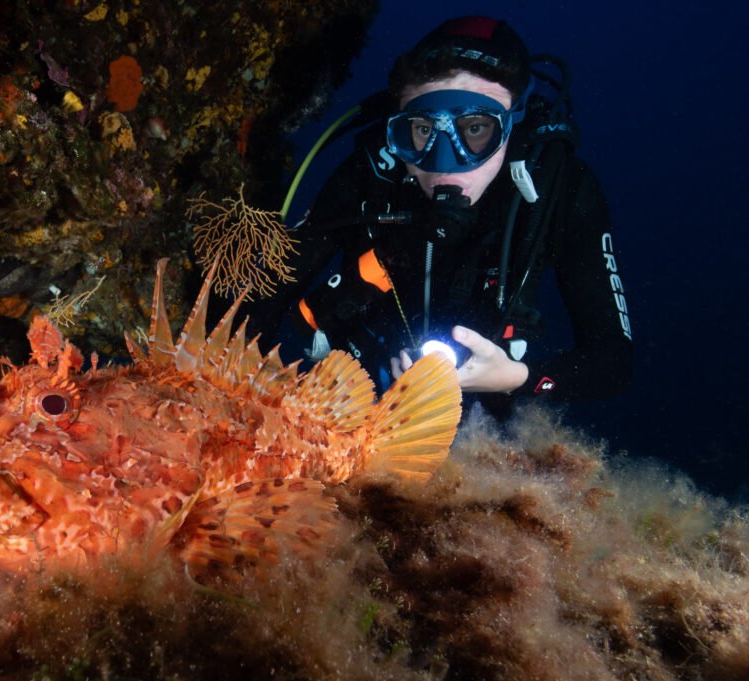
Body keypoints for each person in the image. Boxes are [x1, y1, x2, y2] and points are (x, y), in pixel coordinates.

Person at [250, 16, 632, 416]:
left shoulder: (560, 189)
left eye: (476, 129)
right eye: (422, 130)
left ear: (513, 124)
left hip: (484, 412)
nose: (445, 163)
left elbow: (613, 362)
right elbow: (261, 297)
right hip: (357, 391)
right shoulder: (371, 174)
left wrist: (518, 378)